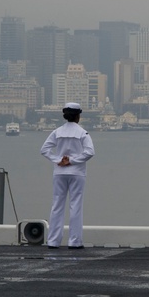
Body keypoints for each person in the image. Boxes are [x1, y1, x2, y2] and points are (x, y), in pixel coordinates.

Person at [40, 103, 95, 249]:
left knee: (57, 206)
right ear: (78, 116)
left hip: (59, 172)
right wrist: (72, 160)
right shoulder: (83, 133)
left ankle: (53, 241)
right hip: (77, 173)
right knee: (75, 206)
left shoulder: (57, 132)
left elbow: (44, 150)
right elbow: (90, 152)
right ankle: (75, 241)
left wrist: (59, 160)